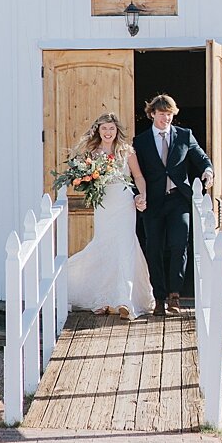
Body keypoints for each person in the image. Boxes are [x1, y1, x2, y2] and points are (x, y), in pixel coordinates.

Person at [59, 114, 151, 320]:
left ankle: (125, 299)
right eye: (104, 129)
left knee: (124, 247)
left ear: (116, 130)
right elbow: (83, 179)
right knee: (104, 247)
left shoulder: (126, 151)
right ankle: (103, 298)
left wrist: (141, 195)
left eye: (111, 128)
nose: (108, 132)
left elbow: (138, 176)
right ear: (98, 131)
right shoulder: (93, 153)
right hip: (104, 205)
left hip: (124, 203)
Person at [133, 93, 213, 317]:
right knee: (154, 247)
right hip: (154, 202)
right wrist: (137, 196)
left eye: (169, 115)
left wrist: (208, 170)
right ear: (152, 115)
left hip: (179, 199)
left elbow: (202, 158)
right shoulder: (140, 141)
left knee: (180, 244)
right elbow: (134, 174)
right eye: (161, 115)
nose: (165, 119)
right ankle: (159, 297)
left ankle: (175, 295)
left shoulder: (184, 135)